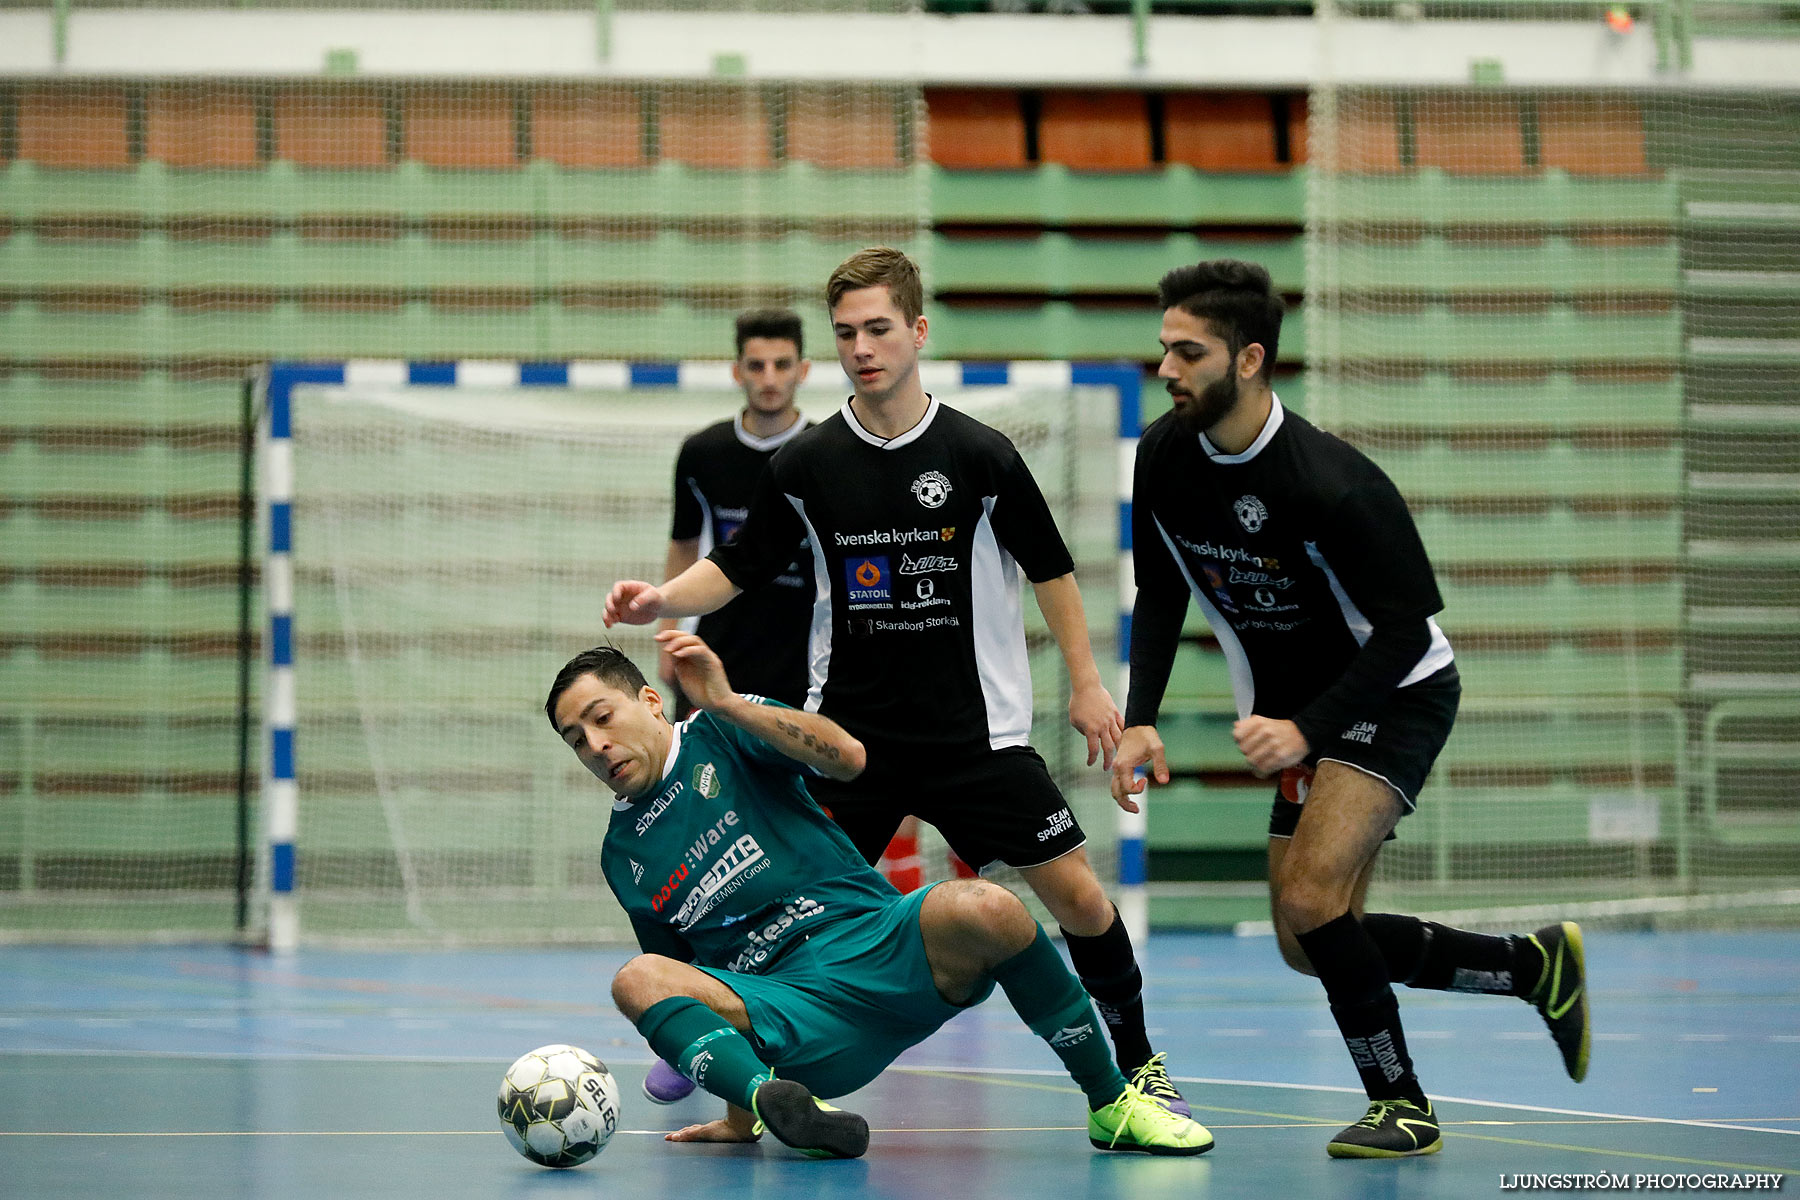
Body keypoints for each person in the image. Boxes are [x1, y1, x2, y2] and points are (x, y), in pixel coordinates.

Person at [603, 247, 1191, 1116]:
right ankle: (734, 1046)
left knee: (1078, 898)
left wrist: (1087, 684)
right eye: (846, 333)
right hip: (855, 744)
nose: (862, 347)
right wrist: (664, 599)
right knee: (779, 893)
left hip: (974, 740)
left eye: (878, 328)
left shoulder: (978, 453)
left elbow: (1052, 569)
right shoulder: (805, 465)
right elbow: (735, 564)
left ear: (917, 331)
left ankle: (1136, 1062)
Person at [1110, 259, 1591, 1159]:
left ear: (1249, 360)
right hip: (1304, 712)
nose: (1168, 369)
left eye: (1189, 351)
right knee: (1310, 936)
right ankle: (1531, 967)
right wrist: (1141, 715)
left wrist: (1306, 730)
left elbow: (1408, 633)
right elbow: (1162, 594)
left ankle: (1402, 1105)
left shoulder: (1335, 484)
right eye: (1164, 348)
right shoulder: (1164, 454)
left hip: (1394, 696)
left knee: (1310, 893)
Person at [545, 633, 1213, 1158]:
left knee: (985, 905)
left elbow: (848, 759)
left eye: (602, 718)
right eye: (578, 741)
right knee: (639, 978)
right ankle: (781, 1107)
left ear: (651, 702)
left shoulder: (721, 731)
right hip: (793, 1019)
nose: (597, 746)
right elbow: (691, 984)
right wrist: (739, 1114)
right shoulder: (622, 855)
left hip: (878, 946)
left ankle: (1110, 1103)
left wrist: (725, 702)